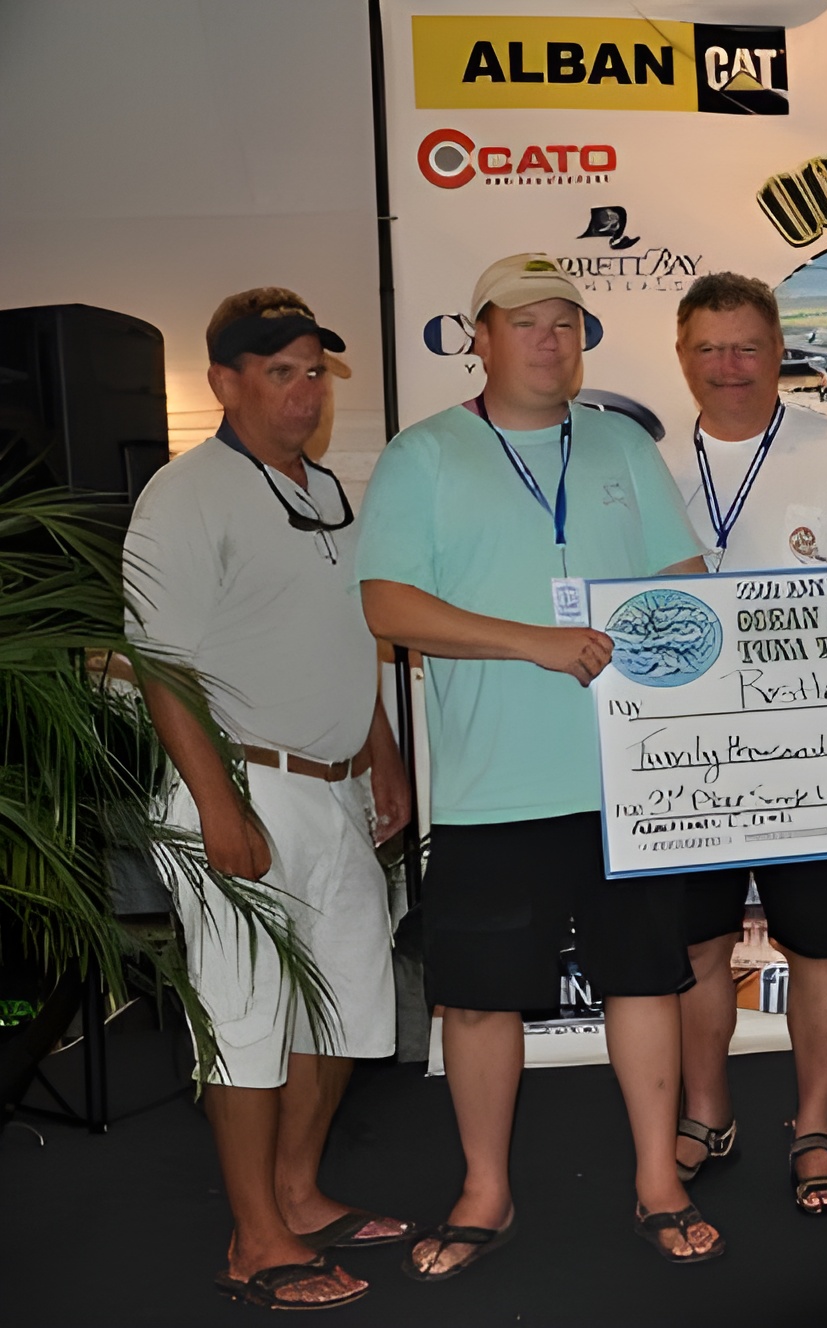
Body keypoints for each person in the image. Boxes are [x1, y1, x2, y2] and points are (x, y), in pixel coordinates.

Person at [358, 254, 722, 1271]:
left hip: (626, 778)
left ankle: (658, 1177)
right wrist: (535, 639)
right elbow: (388, 606)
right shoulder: (423, 454)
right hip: (491, 788)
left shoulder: (620, 445)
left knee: (644, 981)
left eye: (566, 322)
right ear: (478, 334)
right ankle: (485, 1188)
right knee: (476, 998)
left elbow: (684, 581)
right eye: (526, 322)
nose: (550, 340)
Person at [126, 289, 410, 1309]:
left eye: (314, 369)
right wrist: (217, 806)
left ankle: (296, 1189)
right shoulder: (186, 493)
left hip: (332, 792)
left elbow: (349, 639)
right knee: (246, 1019)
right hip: (240, 787)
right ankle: (254, 1238)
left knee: (339, 1002)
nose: (304, 388)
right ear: (226, 383)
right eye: (280, 369)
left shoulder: (330, 489)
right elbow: (158, 665)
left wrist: (380, 751)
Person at [664, 272, 827, 1214]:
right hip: (688, 760)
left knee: (819, 947)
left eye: (747, 347)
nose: (729, 367)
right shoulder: (648, 464)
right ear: (682, 356)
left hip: (819, 754)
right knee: (698, 949)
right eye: (709, 349)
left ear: (780, 354)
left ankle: (814, 1122)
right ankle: (706, 1112)